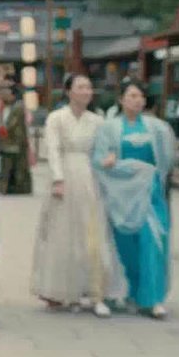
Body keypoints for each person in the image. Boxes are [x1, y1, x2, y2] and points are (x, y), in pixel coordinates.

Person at [30, 74, 125, 316]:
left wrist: (109, 159)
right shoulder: (57, 118)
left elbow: (104, 148)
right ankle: (62, 290)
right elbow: (52, 149)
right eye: (81, 87)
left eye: (89, 87)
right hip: (66, 175)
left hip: (90, 177)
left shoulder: (97, 120)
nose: (86, 91)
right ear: (69, 91)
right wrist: (58, 178)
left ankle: (95, 291)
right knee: (62, 234)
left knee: (93, 234)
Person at [92, 80, 177, 320]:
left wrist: (148, 175)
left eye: (140, 96)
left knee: (153, 242)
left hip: (150, 194)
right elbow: (98, 159)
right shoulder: (109, 128)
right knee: (125, 246)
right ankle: (131, 291)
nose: (136, 100)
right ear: (121, 100)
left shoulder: (158, 128)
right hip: (121, 195)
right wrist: (108, 162)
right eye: (131, 95)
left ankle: (153, 299)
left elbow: (167, 160)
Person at [0, 81, 33, 195]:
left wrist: (0, 132)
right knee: (16, 168)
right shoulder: (12, 106)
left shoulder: (18, 106)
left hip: (14, 143)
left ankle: (12, 188)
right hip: (14, 142)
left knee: (13, 168)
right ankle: (14, 187)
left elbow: (10, 126)